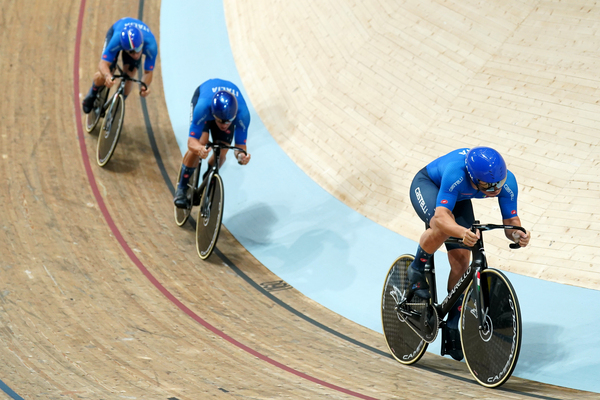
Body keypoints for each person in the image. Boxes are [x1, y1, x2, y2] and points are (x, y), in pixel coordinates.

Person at [407, 147, 530, 361]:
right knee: (440, 227)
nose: (495, 189)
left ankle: (454, 318)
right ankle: (417, 268)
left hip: (459, 196)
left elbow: (511, 222)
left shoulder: (506, 181)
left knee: (462, 260)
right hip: (430, 185)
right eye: (488, 186)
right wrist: (461, 231)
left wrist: (518, 235)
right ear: (473, 178)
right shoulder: (457, 173)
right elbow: (441, 216)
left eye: (499, 184)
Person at [173, 79, 251, 208]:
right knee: (202, 141)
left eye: (228, 122)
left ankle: (209, 175)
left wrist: (241, 156)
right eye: (220, 121)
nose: (224, 126)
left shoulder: (243, 115)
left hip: (223, 109)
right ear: (214, 115)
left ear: (234, 116)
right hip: (203, 97)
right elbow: (191, 142)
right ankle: (181, 188)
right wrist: (199, 149)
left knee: (222, 150)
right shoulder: (203, 108)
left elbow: (240, 147)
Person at [82, 17, 158, 114]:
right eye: (131, 52)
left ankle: (117, 105)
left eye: (138, 50)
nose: (135, 55)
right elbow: (103, 63)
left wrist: (145, 86)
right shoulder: (116, 40)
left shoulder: (151, 46)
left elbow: (148, 72)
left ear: (142, 43)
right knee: (108, 70)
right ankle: (92, 93)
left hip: (131, 41)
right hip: (117, 31)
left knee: (129, 76)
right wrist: (107, 76)